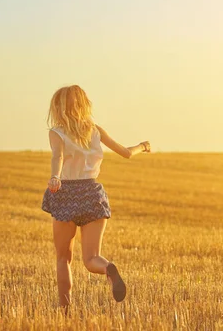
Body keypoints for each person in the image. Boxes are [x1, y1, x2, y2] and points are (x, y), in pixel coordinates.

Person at [41, 85, 150, 311]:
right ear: (83, 104)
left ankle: (65, 309)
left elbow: (57, 156)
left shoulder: (57, 133)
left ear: (58, 108)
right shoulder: (95, 130)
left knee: (64, 259)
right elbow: (126, 153)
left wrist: (54, 176)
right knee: (92, 259)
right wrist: (143, 146)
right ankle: (108, 268)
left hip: (66, 193)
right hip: (93, 193)